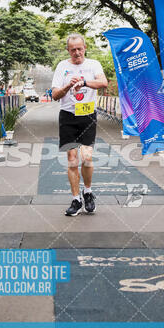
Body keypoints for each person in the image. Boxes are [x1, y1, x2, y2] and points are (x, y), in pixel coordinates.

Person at [52, 33, 108, 216]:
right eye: (73, 49)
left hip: (87, 115)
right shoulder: (62, 66)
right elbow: (55, 95)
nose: (77, 52)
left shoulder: (93, 64)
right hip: (67, 116)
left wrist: (84, 82)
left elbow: (103, 82)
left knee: (87, 157)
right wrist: (68, 86)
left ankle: (88, 191)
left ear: (85, 48)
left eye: (79, 48)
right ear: (68, 50)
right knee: (72, 159)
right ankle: (76, 199)